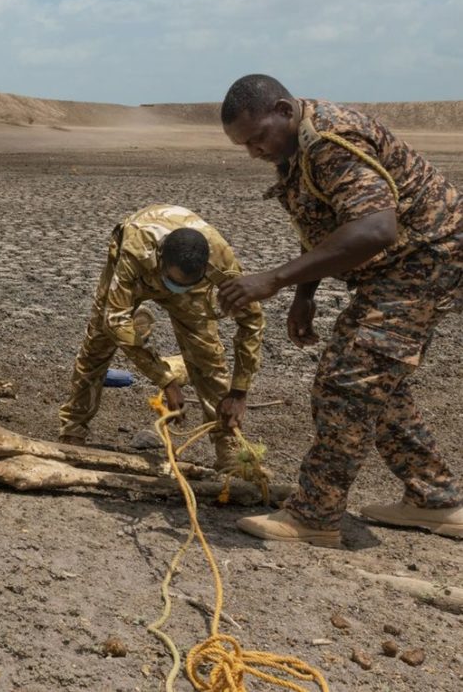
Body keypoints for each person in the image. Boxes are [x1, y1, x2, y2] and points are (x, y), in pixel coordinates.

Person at [218, 74, 463, 546]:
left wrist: (274, 279)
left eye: (258, 138)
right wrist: (304, 294)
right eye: (243, 145)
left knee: (346, 383)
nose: (254, 152)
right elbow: (321, 223)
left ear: (284, 110)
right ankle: (435, 499)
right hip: (403, 264)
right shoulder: (295, 148)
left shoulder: (332, 141)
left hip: (426, 259)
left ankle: (315, 514)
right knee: (378, 386)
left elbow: (375, 230)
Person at [58, 204, 265, 470]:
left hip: (193, 289)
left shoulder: (221, 263)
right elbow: (115, 320)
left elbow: (252, 321)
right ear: (161, 260)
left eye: (184, 283)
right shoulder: (136, 249)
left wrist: (239, 392)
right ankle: (73, 431)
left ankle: (228, 445)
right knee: (98, 344)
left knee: (207, 356)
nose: (175, 288)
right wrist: (165, 380)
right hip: (139, 273)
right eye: (173, 281)